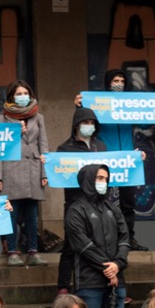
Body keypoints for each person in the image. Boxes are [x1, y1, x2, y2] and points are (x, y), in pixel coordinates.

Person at [64, 164, 129, 308]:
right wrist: (108, 268)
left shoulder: (112, 208)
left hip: (116, 281)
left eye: (105, 178)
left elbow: (125, 238)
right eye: (99, 178)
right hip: (89, 282)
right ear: (88, 180)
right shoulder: (75, 210)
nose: (103, 182)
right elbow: (83, 246)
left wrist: (117, 264)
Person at [86, 69, 149, 251]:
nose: (119, 83)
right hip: (106, 158)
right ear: (108, 82)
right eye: (115, 80)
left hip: (127, 160)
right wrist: (79, 106)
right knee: (101, 200)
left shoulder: (129, 104)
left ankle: (129, 239)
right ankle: (101, 240)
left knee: (128, 203)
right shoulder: (99, 104)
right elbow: (87, 119)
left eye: (122, 80)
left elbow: (145, 122)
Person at [0, 80, 49, 267]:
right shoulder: (1, 119)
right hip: (10, 170)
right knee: (12, 214)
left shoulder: (38, 117)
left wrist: (44, 173)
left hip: (33, 169)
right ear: (11, 97)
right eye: (18, 94)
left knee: (32, 215)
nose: (22, 97)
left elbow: (44, 146)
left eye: (25, 93)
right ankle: (13, 251)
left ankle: (33, 251)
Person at [56, 107, 107, 293]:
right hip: (74, 204)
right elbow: (59, 175)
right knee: (71, 246)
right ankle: (63, 286)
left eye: (92, 123)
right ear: (76, 125)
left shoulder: (100, 147)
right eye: (85, 122)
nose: (89, 126)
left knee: (100, 244)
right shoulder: (64, 149)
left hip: (97, 203)